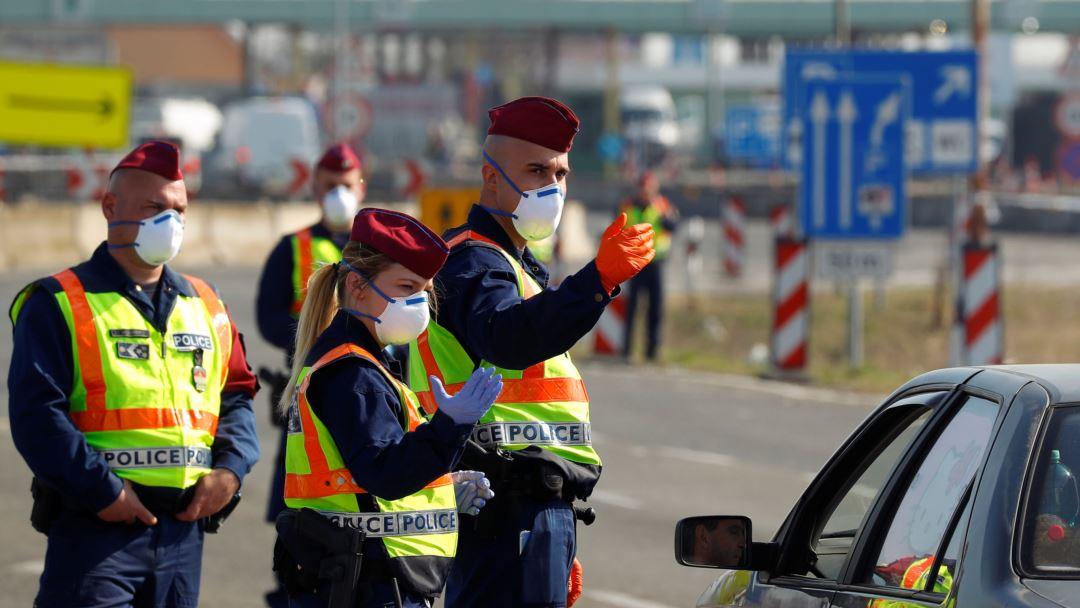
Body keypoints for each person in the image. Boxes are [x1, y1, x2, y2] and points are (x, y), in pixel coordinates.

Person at [407, 96, 656, 607]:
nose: (553, 188)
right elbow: (510, 338)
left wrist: (554, 526)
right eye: (537, 171)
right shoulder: (475, 262)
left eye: (561, 174)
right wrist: (598, 279)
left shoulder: (511, 265)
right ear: (491, 177)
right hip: (503, 505)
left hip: (528, 508)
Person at [7, 140, 260, 607]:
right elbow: (37, 415)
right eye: (154, 207)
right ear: (110, 207)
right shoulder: (59, 301)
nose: (172, 222)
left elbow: (238, 396)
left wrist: (230, 470)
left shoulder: (205, 303)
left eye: (179, 210)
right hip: (98, 528)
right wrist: (103, 492)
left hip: (184, 534)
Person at [273, 208, 502, 607]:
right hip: (367, 585)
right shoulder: (352, 374)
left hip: (363, 576)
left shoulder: (363, 363)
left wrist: (442, 491)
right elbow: (385, 473)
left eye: (424, 291)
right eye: (406, 288)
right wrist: (450, 425)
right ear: (358, 286)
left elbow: (363, 480)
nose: (419, 304)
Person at [256, 143, 364, 530]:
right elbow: (267, 317)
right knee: (300, 485)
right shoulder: (291, 247)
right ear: (316, 188)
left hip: (369, 381)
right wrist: (313, 341)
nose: (339, 193)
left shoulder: (376, 248)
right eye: (330, 185)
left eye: (347, 184)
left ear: (361, 188)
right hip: (306, 383)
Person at [619, 170, 678, 362]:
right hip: (635, 264)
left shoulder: (663, 205)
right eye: (643, 187)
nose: (646, 191)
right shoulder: (628, 206)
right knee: (631, 307)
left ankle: (651, 351)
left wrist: (664, 218)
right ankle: (626, 349)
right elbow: (619, 228)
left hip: (655, 263)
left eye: (649, 187)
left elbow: (673, 225)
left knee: (655, 308)